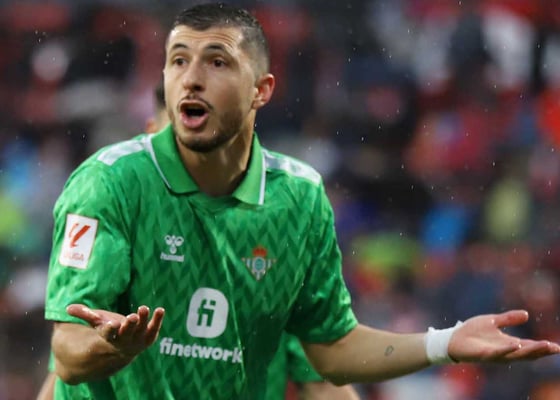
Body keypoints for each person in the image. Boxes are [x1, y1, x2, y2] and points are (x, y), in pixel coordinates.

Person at [44, 3, 559, 399]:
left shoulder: (298, 198)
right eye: (178, 60)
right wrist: (110, 346)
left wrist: (444, 343)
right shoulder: (109, 183)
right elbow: (65, 354)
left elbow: (331, 352)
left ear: (261, 90)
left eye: (217, 61)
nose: (192, 77)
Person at [38, 80, 359, 399]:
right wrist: (111, 348)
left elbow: (322, 384)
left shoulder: (272, 247)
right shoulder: (119, 226)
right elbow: (65, 370)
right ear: (150, 135)